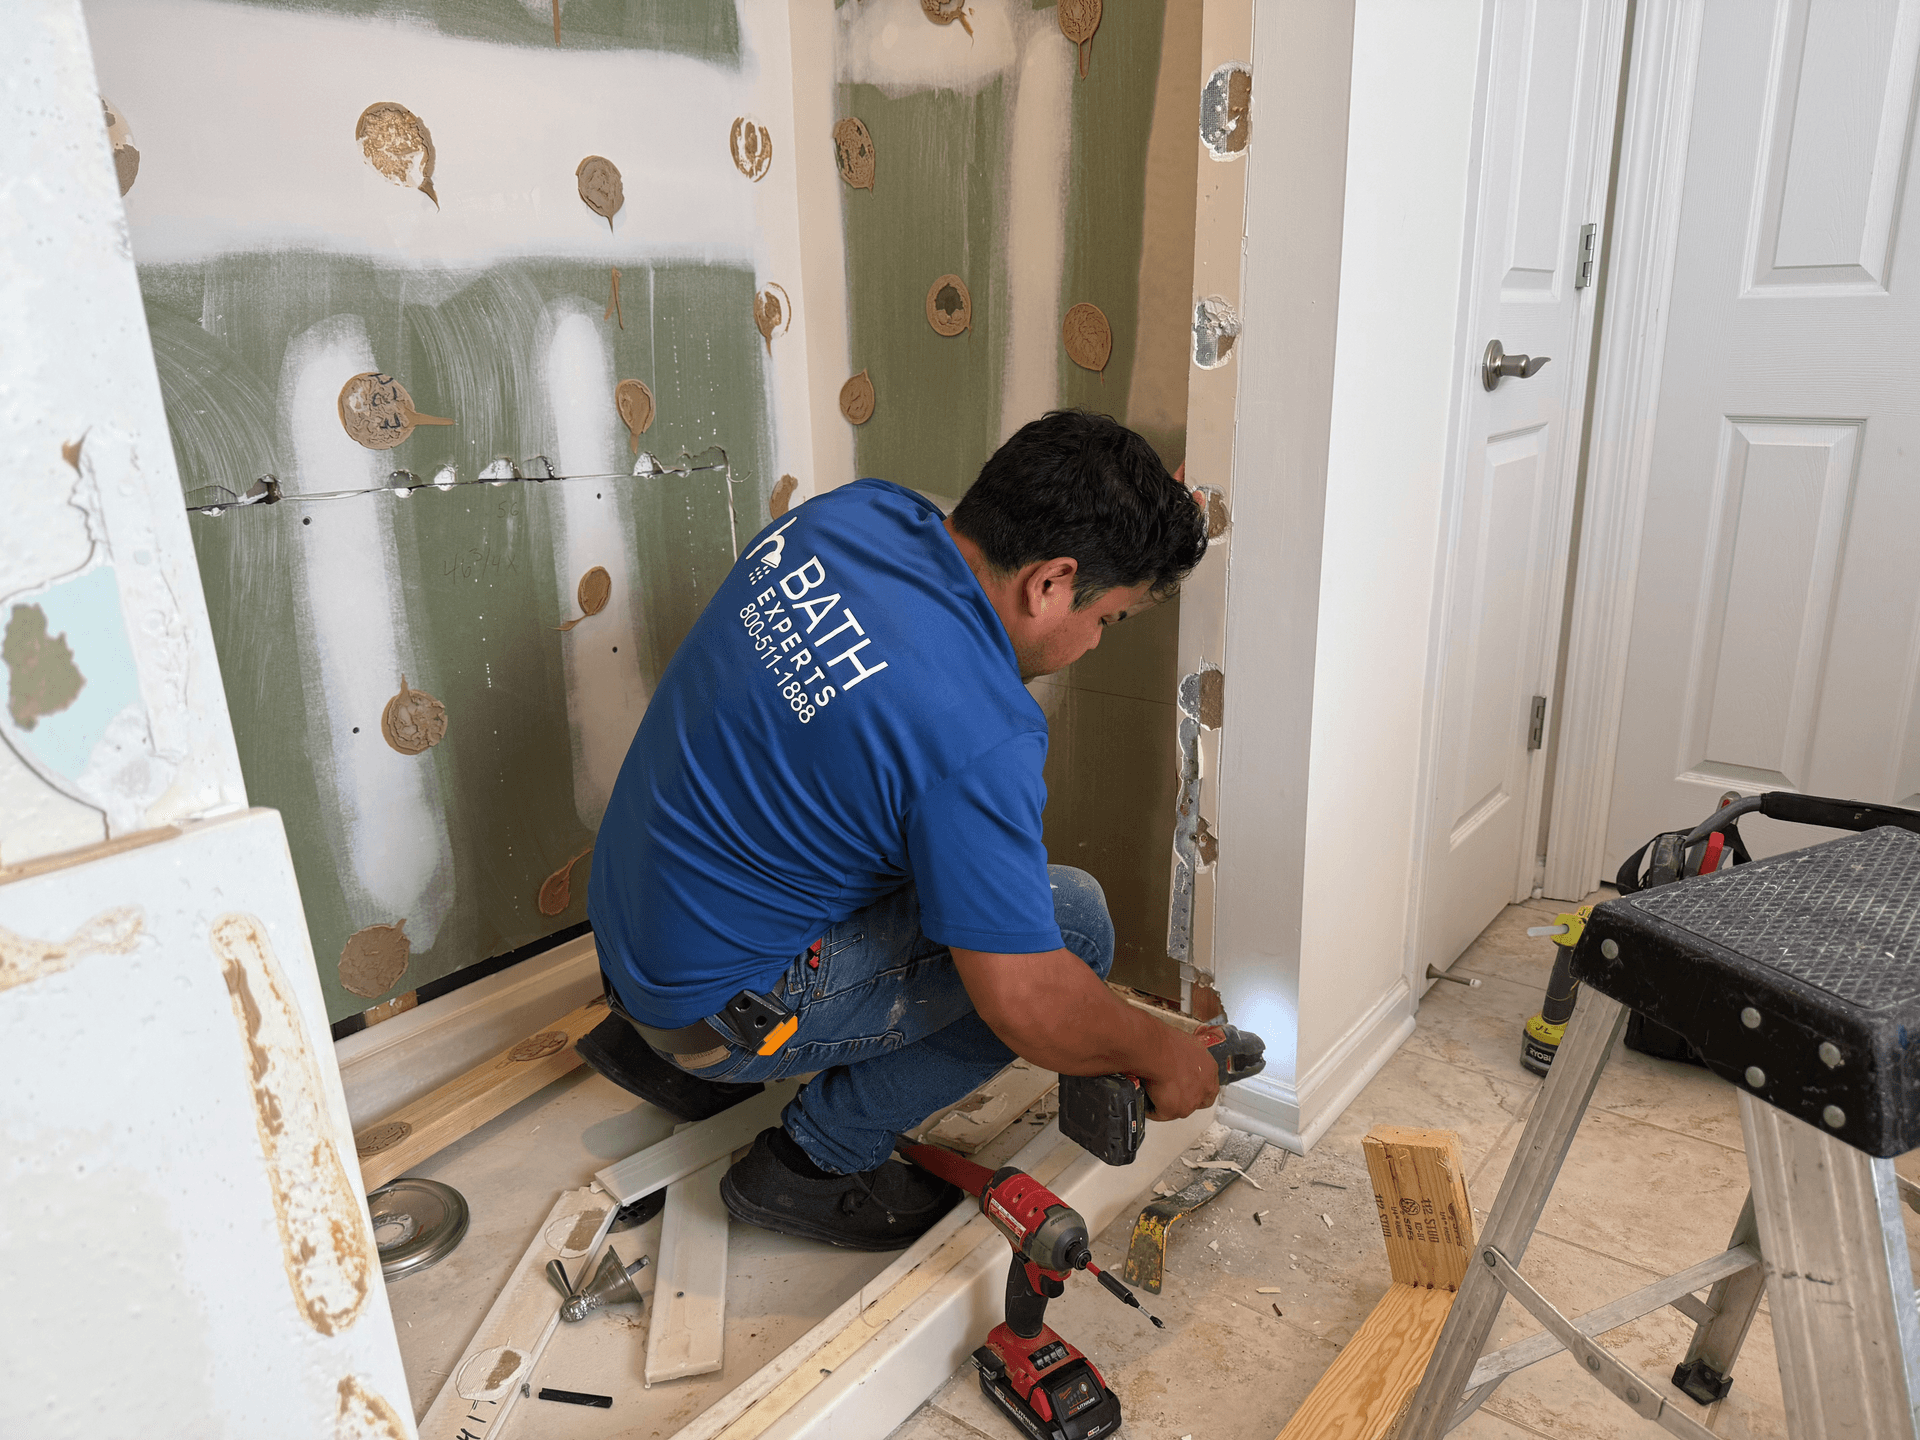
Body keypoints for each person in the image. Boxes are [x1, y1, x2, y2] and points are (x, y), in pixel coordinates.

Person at [580, 409, 1221, 1251]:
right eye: (1110, 619)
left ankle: (671, 1055)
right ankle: (819, 1160)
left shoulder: (854, 515)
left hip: (627, 941)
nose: (1097, 642)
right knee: (1071, 924)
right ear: (1051, 583)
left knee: (906, 840)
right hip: (712, 1011)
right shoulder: (980, 733)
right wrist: (1165, 1053)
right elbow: (1029, 1003)